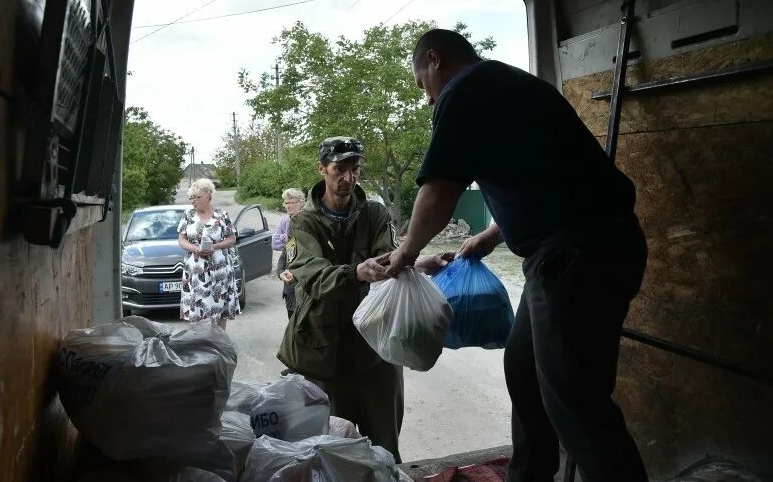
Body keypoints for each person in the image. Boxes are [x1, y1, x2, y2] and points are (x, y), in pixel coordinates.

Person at [384, 29, 649, 481]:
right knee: (525, 371)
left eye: (422, 84)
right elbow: (542, 179)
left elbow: (441, 188)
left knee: (576, 402)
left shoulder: (464, 91)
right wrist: (490, 235)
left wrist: (405, 253)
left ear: (434, 60)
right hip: (579, 253)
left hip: (577, 258)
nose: (428, 99)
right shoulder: (506, 86)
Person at [276, 136, 405, 462]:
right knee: (330, 453)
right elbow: (313, 275)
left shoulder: (375, 214)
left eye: (355, 169)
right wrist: (356, 272)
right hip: (322, 352)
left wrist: (410, 260)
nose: (348, 178)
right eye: (340, 169)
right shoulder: (301, 223)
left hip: (375, 349)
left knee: (385, 451)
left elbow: (389, 257)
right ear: (322, 169)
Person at [177, 178, 240, 330]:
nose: (193, 201)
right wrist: (195, 249)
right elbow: (181, 239)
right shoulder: (188, 215)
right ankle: (201, 346)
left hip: (220, 270)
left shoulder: (221, 215)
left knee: (220, 309)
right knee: (198, 311)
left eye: (197, 197)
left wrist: (215, 246)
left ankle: (220, 343)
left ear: (208, 196)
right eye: (191, 198)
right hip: (196, 271)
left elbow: (232, 238)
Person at [273, 188, 306, 377]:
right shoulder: (289, 226)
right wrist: (281, 273)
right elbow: (285, 257)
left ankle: (303, 368)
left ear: (300, 203)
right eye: (285, 203)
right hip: (290, 289)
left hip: (304, 288)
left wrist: (297, 273)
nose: (286, 205)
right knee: (293, 329)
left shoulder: (309, 225)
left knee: (303, 330)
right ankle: (296, 367)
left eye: (290, 202)